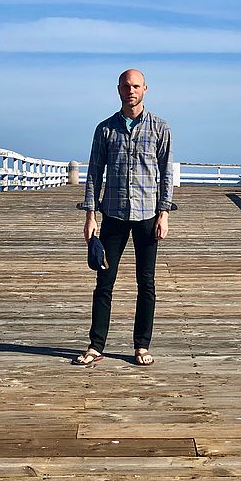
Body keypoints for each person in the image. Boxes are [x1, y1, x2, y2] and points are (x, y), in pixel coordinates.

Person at [74, 69, 173, 366]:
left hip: (147, 215)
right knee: (104, 281)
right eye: (126, 86)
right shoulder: (105, 129)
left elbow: (166, 173)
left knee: (147, 282)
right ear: (118, 89)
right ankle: (96, 345)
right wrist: (90, 215)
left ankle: (141, 346)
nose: (131, 91)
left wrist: (164, 213)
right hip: (113, 214)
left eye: (136, 86)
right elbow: (94, 173)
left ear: (145, 89)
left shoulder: (160, 128)